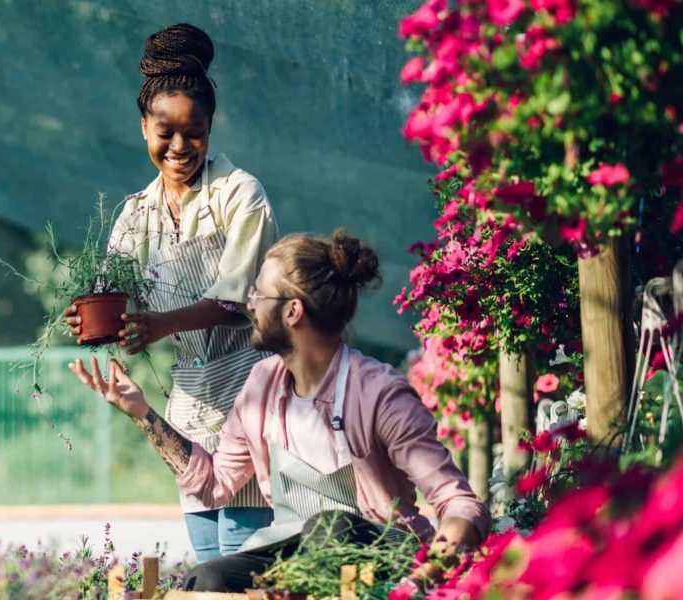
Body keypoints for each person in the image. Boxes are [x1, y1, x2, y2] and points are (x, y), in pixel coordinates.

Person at [70, 230, 489, 592]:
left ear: (292, 311)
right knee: (208, 580)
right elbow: (216, 485)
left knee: (331, 527)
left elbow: (460, 504)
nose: (249, 304)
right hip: (293, 554)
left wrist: (428, 574)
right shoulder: (261, 386)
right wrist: (142, 412)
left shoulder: (379, 394)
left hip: (384, 558)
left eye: (258, 294)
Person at [65, 23, 279, 562]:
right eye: (166, 132)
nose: (180, 146)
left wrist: (159, 325)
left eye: (196, 131)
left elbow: (235, 301)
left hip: (251, 393)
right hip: (188, 406)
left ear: (211, 128)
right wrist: (88, 317)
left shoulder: (239, 195)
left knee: (242, 563)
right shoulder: (137, 213)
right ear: (143, 128)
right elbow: (108, 286)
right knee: (208, 559)